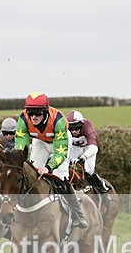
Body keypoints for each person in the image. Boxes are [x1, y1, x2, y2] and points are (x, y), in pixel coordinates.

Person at [15, 92, 88, 228]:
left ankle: (77, 214)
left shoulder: (58, 120)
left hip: (59, 143)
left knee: (60, 176)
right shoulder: (23, 119)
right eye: (31, 113)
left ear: (45, 111)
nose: (33, 117)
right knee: (31, 173)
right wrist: (21, 161)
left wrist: (49, 167)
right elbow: (21, 147)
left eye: (37, 113)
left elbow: (60, 152)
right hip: (40, 142)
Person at [66, 110, 110, 205]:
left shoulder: (87, 126)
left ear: (82, 125)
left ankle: (103, 191)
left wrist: (84, 157)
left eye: (77, 128)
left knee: (88, 170)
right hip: (74, 148)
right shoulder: (65, 129)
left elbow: (94, 147)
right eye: (71, 129)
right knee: (65, 167)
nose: (74, 131)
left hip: (87, 148)